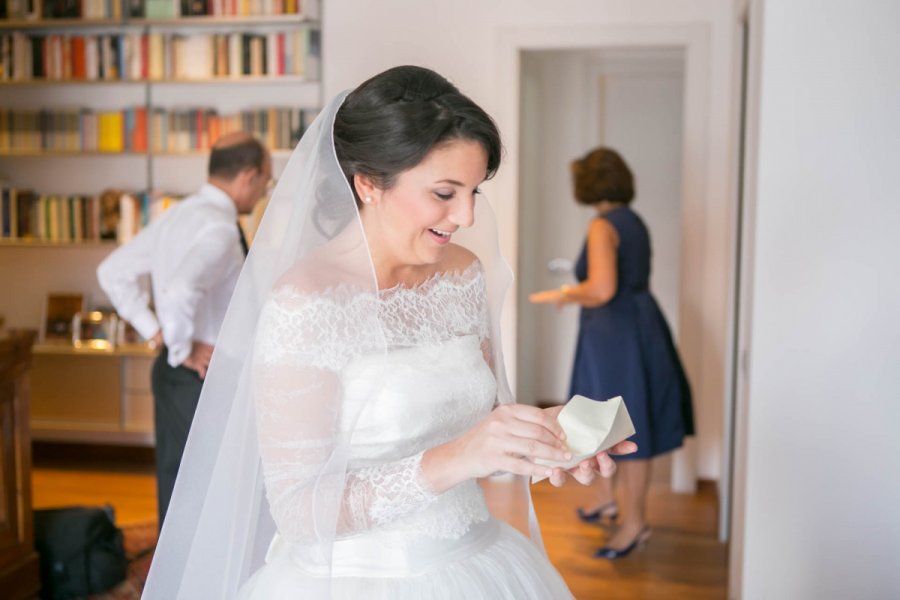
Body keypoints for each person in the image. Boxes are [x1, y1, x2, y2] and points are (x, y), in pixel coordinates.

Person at [141, 66, 636, 599]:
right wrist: (458, 458)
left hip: (478, 560)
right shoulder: (306, 303)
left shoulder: (463, 274)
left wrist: (546, 436)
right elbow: (300, 511)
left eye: (474, 190)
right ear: (368, 183)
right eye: (445, 192)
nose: (467, 215)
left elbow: (480, 423)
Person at [96, 132, 272, 528]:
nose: (263, 193)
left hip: (176, 373)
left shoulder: (178, 214)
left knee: (177, 483)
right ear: (248, 176)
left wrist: (158, 337)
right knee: (208, 486)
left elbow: (112, 271)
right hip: (201, 374)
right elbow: (178, 288)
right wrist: (180, 348)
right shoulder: (220, 230)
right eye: (266, 182)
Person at [530, 146, 694, 559]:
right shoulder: (634, 221)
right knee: (619, 418)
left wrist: (564, 292)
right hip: (637, 328)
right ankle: (612, 502)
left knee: (624, 423)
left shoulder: (602, 225)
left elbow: (602, 289)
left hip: (616, 336)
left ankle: (635, 524)